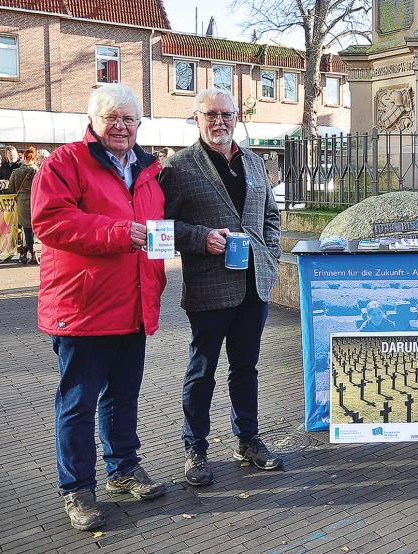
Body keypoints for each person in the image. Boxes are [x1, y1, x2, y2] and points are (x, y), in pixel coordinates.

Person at [30, 83, 167, 531]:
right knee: (78, 403)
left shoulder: (147, 169)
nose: (121, 126)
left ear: (139, 124)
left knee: (123, 396)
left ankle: (123, 467)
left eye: (129, 119)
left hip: (133, 304)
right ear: (93, 121)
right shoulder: (65, 162)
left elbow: (157, 230)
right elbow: (50, 221)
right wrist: (116, 232)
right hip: (83, 307)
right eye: (112, 117)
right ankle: (77, 489)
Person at [160, 87, 283, 487]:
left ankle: (247, 440)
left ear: (236, 117)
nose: (219, 121)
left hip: (254, 287)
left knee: (246, 369)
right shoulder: (178, 167)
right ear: (196, 119)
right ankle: (194, 448)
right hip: (210, 289)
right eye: (210, 114)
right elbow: (161, 228)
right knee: (202, 371)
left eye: (226, 114)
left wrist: (270, 255)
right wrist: (200, 237)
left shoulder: (253, 160)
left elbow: (270, 216)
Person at [7, 147, 48, 264]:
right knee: (37, 229)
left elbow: (11, 189)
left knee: (27, 229)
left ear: (23, 157)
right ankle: (35, 253)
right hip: (36, 201)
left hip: (22, 202)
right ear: (34, 158)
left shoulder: (16, 172)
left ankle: (30, 252)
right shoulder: (38, 171)